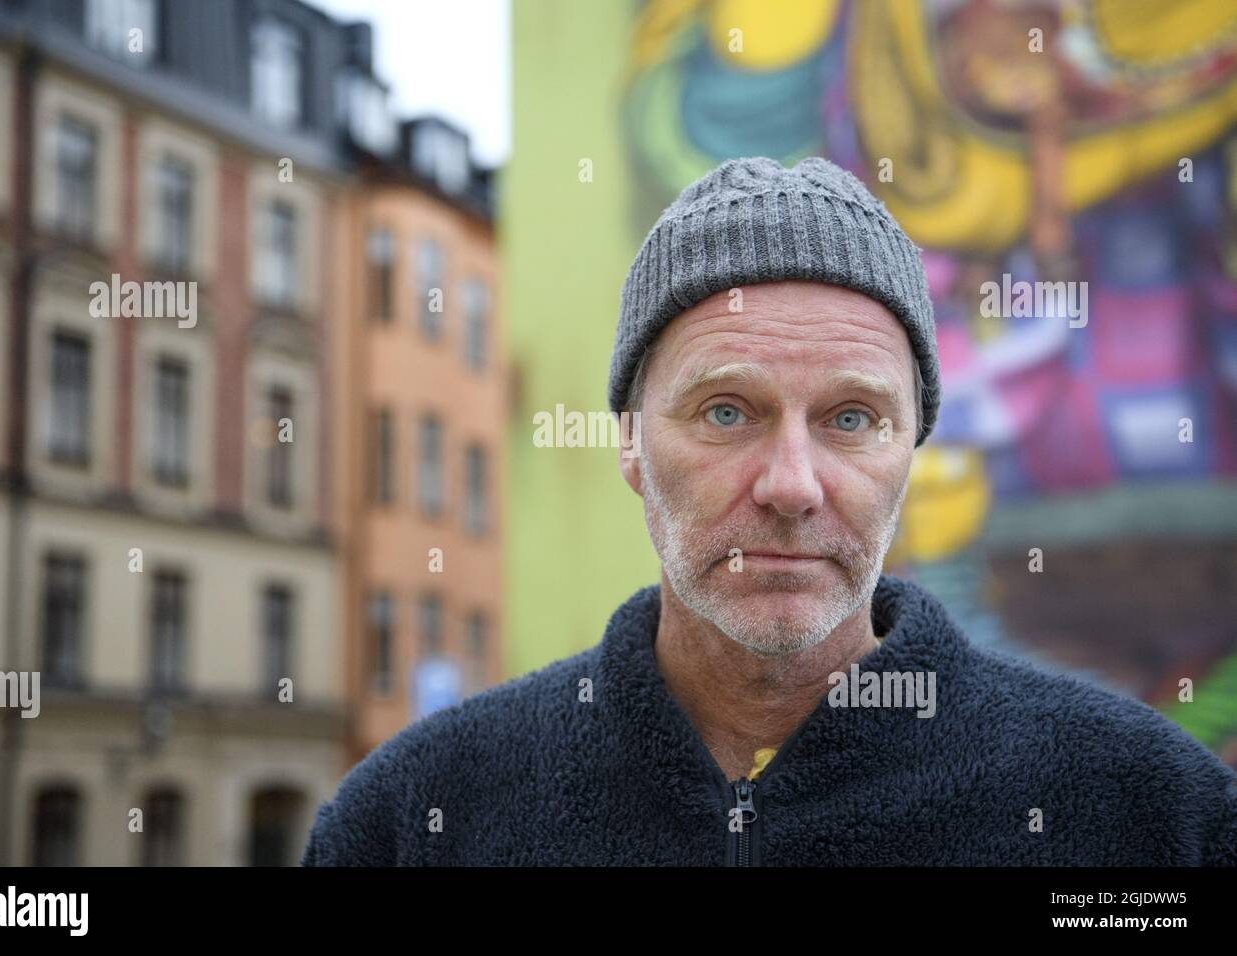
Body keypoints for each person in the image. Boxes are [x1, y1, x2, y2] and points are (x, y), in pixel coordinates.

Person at [301, 156, 1237, 866]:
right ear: (629, 441)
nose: (792, 484)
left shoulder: (1149, 816)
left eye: (851, 418)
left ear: (912, 451)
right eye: (725, 411)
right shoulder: (416, 820)